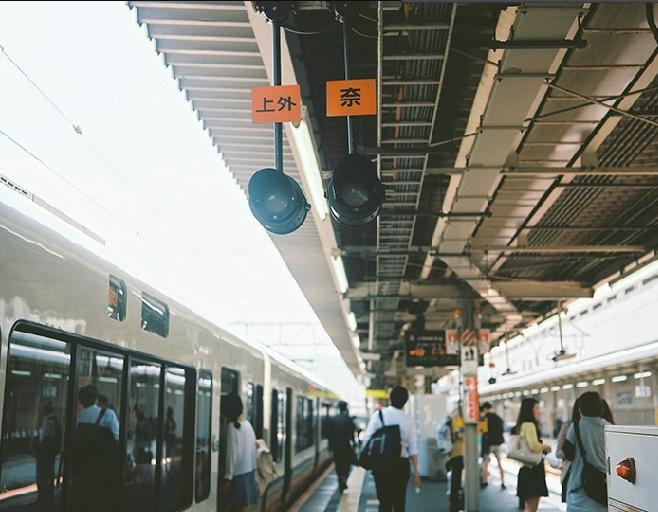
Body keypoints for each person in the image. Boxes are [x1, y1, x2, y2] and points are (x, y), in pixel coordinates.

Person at [362, 386, 420, 512]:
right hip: (401, 465)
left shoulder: (379, 415)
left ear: (390, 399)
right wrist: (416, 473)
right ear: (405, 402)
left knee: (384, 502)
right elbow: (413, 449)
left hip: (382, 464)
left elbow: (367, 439)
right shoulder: (408, 420)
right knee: (399, 502)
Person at [70, 384, 120, 512]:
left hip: (81, 466)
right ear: (95, 399)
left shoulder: (76, 417)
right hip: (102, 467)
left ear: (81, 400)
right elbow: (117, 436)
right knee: (101, 499)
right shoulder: (108, 414)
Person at [562, 392, 609, 512]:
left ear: (580, 409)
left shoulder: (577, 427)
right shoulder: (609, 428)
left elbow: (568, 453)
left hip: (580, 489)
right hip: (603, 490)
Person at [221, 393, 259, 512]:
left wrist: (227, 478)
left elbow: (232, 455)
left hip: (238, 478)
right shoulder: (248, 425)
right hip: (249, 475)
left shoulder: (233, 427)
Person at [514, 398, 551, 512]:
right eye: (536, 408)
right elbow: (533, 446)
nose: (539, 411)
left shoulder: (522, 424)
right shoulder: (529, 425)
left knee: (528, 507)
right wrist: (545, 447)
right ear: (529, 410)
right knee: (532, 508)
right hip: (533, 471)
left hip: (526, 470)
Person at [35, 401, 62, 512]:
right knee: (48, 475)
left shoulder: (49, 421)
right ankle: (46, 498)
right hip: (50, 453)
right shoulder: (54, 420)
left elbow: (46, 438)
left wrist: (39, 450)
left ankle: (44, 499)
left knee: (42, 476)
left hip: (45, 454)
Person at [327, 401, 356, 494]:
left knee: (338, 465)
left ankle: (340, 480)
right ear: (346, 408)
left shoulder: (333, 419)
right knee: (346, 465)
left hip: (336, 447)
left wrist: (330, 448)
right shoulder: (349, 419)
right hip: (346, 446)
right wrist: (354, 445)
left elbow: (330, 435)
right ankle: (344, 479)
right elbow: (352, 435)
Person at [557, 399, 580, 503]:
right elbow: (558, 452)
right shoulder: (567, 427)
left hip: (589, 476)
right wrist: (572, 455)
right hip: (570, 473)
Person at [479, 402, 506, 489]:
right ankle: (503, 481)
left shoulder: (484, 418)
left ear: (485, 409)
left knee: (485, 463)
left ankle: (484, 481)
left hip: (489, 444)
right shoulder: (498, 418)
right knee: (500, 463)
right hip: (498, 444)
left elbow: (482, 431)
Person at [446, 409, 465, 512]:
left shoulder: (458, 419)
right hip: (458, 453)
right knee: (456, 480)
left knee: (457, 479)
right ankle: (455, 505)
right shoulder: (458, 420)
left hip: (458, 453)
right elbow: (459, 435)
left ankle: (456, 503)